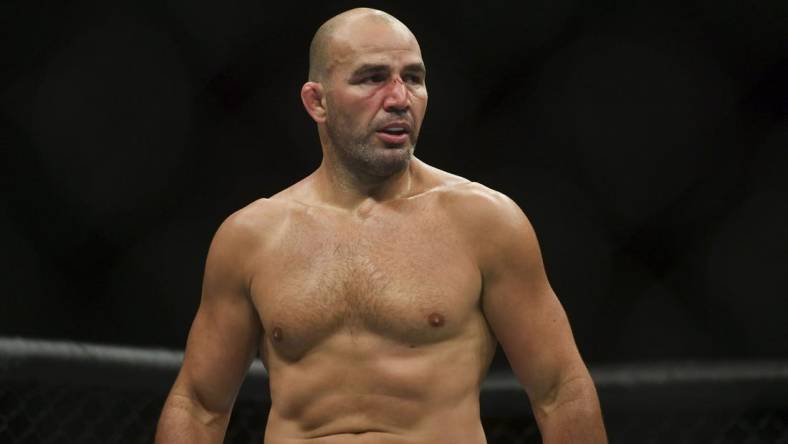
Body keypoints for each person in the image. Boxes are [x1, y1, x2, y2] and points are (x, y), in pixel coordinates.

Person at [155, 7, 607, 444]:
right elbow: (198, 405)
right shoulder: (253, 237)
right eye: (372, 78)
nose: (398, 99)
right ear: (317, 102)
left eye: (413, 78)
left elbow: (560, 391)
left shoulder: (485, 223)